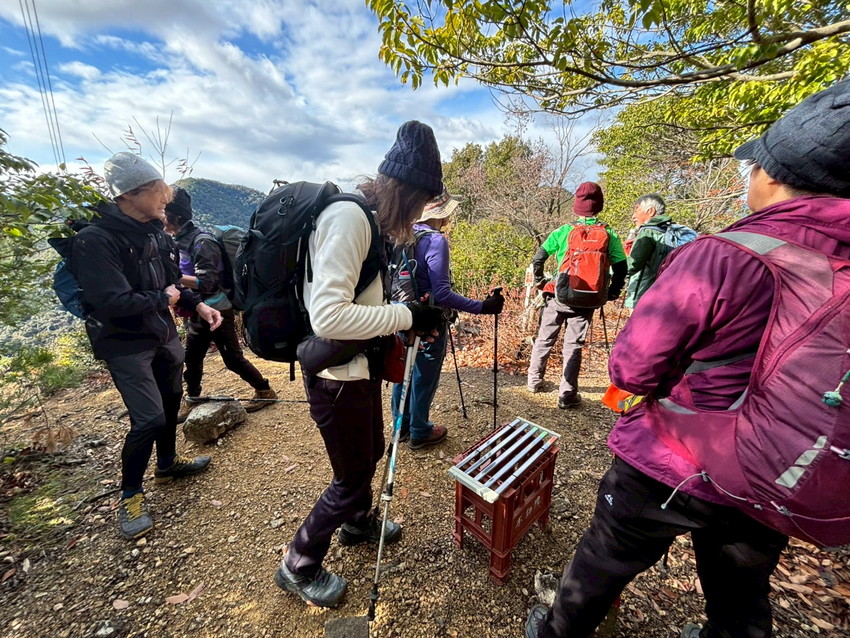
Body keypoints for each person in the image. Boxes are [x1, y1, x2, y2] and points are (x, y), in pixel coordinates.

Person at [525, 79, 850, 638]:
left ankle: (558, 631)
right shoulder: (618, 235)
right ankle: (565, 388)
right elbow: (622, 268)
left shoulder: (724, 255)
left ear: (774, 176)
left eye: (754, 166)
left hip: (677, 456)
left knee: (604, 560)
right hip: (777, 468)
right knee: (740, 598)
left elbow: (633, 370)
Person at [273, 121, 446, 609]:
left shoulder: (369, 219)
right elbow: (328, 316)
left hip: (358, 369)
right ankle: (298, 564)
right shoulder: (350, 218)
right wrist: (406, 316)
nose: (421, 214)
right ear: (407, 192)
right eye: (421, 202)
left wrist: (405, 314)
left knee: (369, 452)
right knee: (349, 480)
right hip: (337, 377)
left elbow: (363, 299)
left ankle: (357, 523)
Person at [70, 152, 222, 541]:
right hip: (124, 344)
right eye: (157, 191)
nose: (165, 199)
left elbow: (172, 283)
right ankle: (131, 496)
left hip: (162, 334)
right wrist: (165, 299)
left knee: (171, 403)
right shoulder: (94, 240)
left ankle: (167, 463)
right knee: (149, 419)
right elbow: (110, 303)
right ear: (128, 194)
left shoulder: (157, 234)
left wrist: (199, 305)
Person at [390, 191, 504, 450]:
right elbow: (442, 293)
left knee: (403, 371)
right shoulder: (435, 241)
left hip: (400, 316)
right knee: (424, 375)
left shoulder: (400, 235)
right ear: (441, 214)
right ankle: (419, 430)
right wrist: (482, 307)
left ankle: (401, 427)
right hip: (430, 320)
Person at [162, 187, 277, 418]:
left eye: (164, 212)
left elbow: (207, 282)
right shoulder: (179, 241)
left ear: (177, 216)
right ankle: (193, 397)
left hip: (217, 308)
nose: (160, 216)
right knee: (192, 358)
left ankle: (265, 391)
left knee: (232, 358)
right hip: (196, 309)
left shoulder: (202, 242)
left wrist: (174, 278)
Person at [526, 182, 627, 408]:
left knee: (545, 338)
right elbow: (621, 267)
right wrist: (612, 291)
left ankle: (534, 381)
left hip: (559, 295)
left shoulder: (564, 231)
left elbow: (538, 259)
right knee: (573, 345)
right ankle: (567, 394)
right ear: (599, 206)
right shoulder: (609, 234)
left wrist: (541, 282)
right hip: (588, 300)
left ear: (577, 206)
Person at [623, 193, 671, 309]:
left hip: (642, 295)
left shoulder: (648, 232)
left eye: (637, 210)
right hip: (666, 295)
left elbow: (632, 265)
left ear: (650, 211)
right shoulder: (670, 231)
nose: (633, 216)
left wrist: (611, 270)